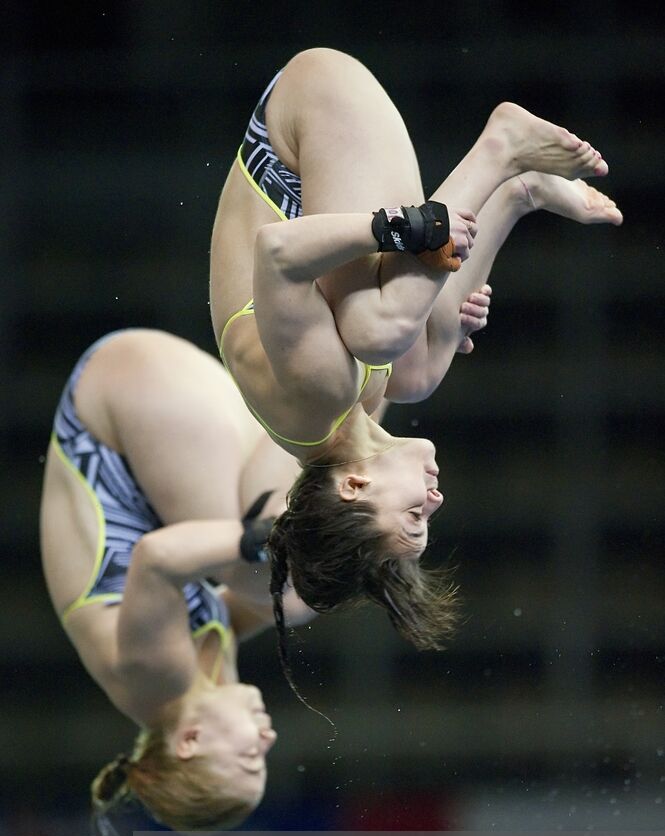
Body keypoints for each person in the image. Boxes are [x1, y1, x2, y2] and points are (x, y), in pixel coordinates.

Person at [209, 47, 622, 657]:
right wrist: (447, 316)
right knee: (419, 368)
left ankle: (500, 147)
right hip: (333, 157)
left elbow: (276, 254)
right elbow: (415, 307)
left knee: (381, 331)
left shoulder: (317, 392)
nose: (435, 500)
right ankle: (518, 191)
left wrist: (404, 229)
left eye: (413, 519)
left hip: (307, 114)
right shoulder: (348, 418)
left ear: (352, 488)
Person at [40, 328, 314, 831]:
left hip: (115, 406)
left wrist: (261, 537)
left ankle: (342, 370)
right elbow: (251, 606)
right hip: (155, 408)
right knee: (299, 595)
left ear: (190, 742)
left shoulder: (155, 678)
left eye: (249, 759)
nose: (267, 742)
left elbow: (160, 557)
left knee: (276, 579)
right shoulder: (203, 682)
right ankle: (369, 373)